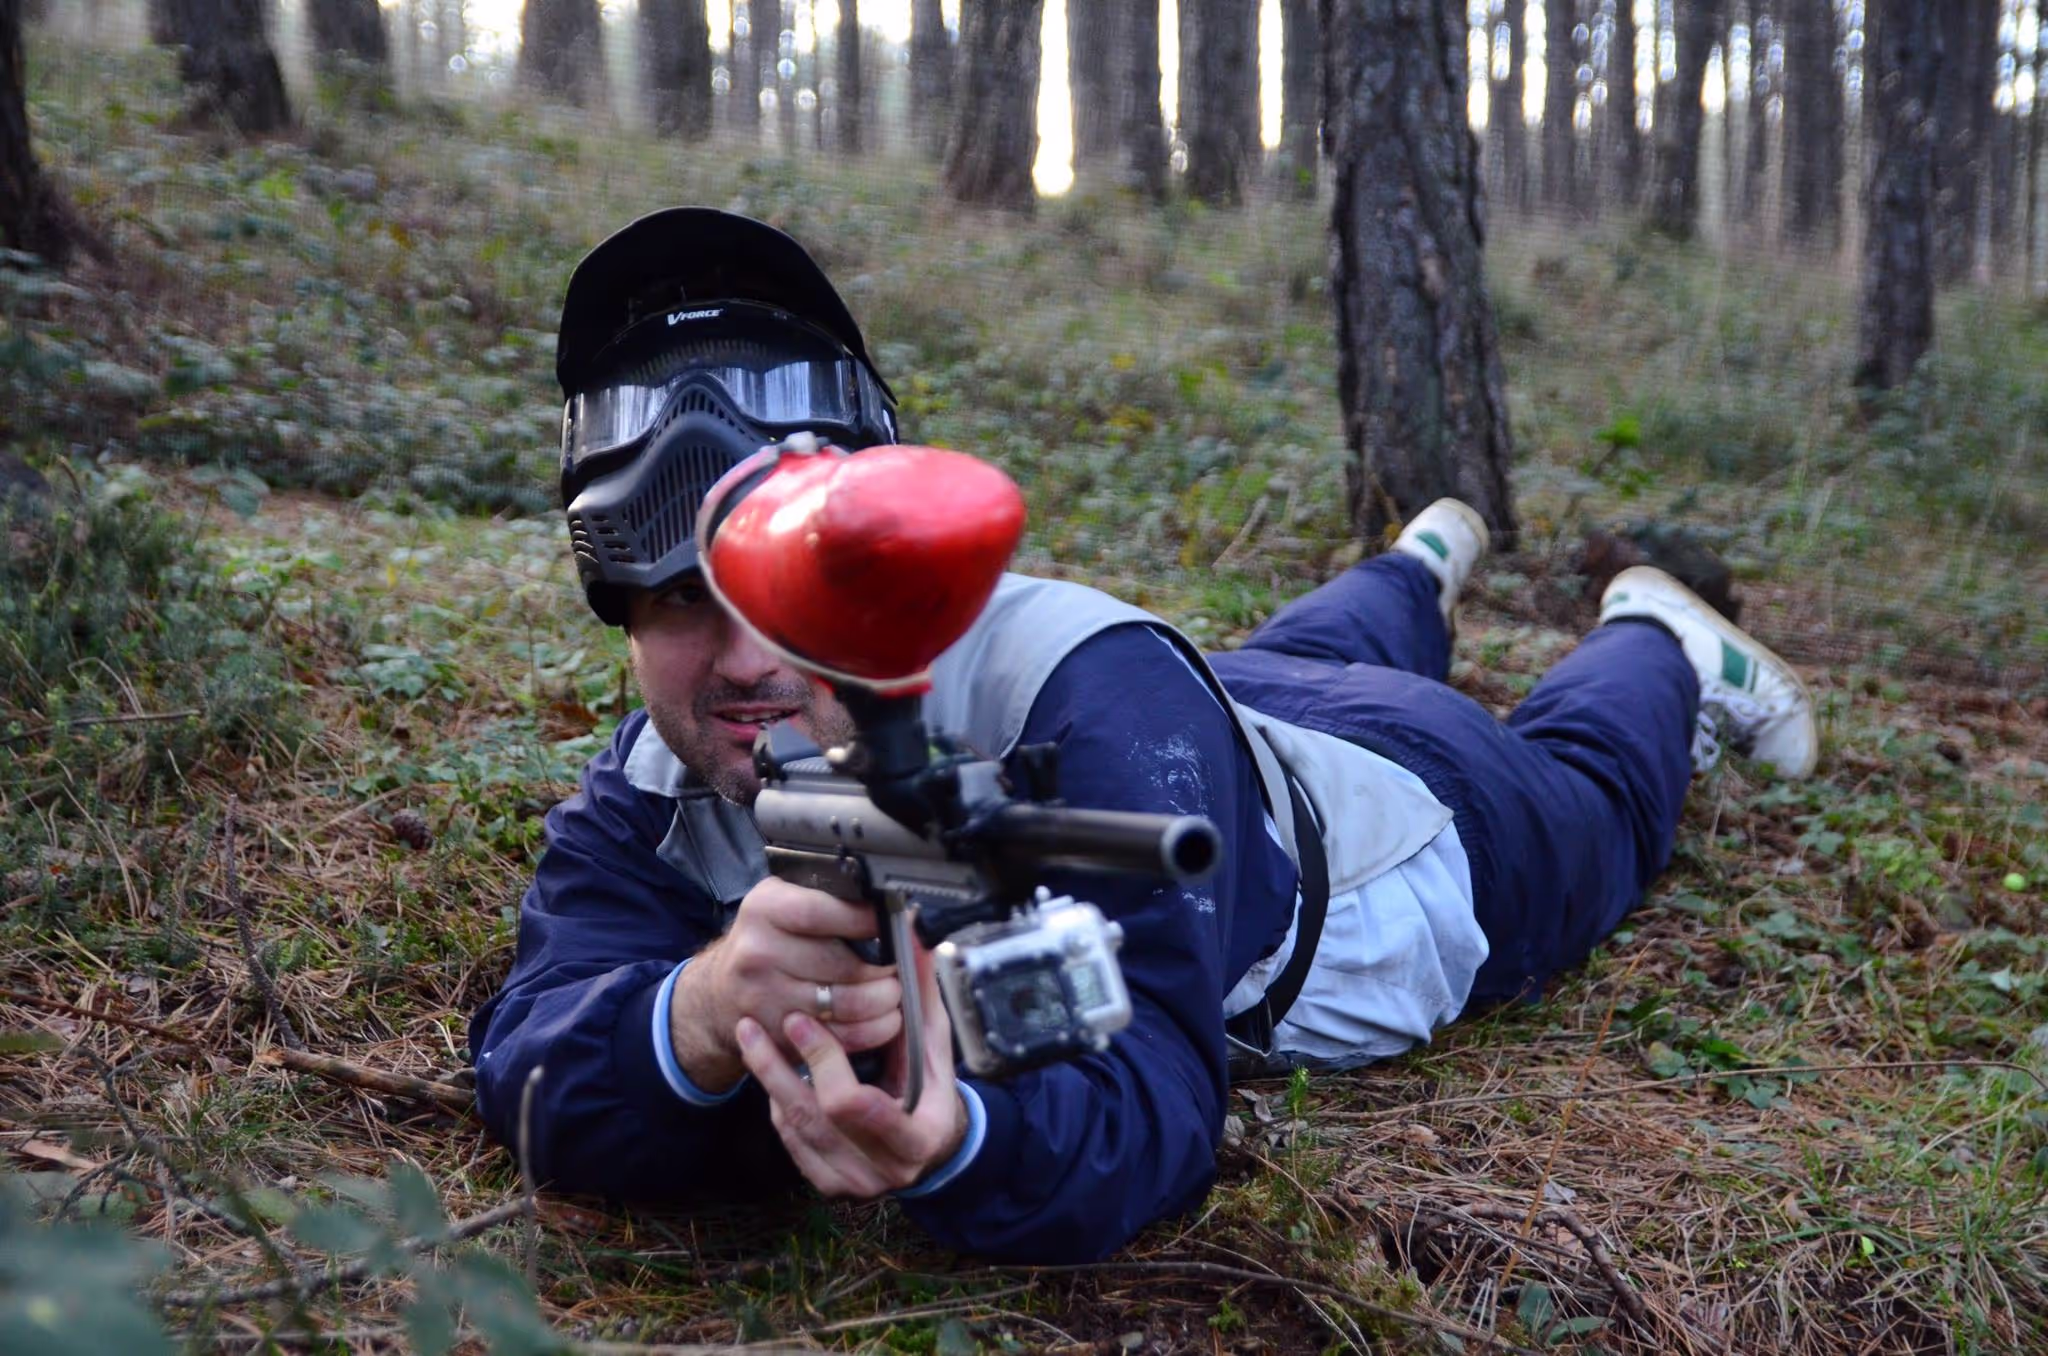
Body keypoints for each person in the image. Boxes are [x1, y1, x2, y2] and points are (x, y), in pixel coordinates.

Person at [469, 208, 1817, 1263]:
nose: (751, 661)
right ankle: (1415, 565)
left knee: (1594, 791)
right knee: (1300, 656)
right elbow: (531, 1053)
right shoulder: (657, 782)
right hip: (1234, 698)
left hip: (1398, 821)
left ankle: (1661, 642)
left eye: (788, 594)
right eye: (682, 604)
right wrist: (699, 1014)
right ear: (621, 615)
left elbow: (1157, 1100)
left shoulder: (1086, 691)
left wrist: (962, 1145)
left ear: (876, 565)